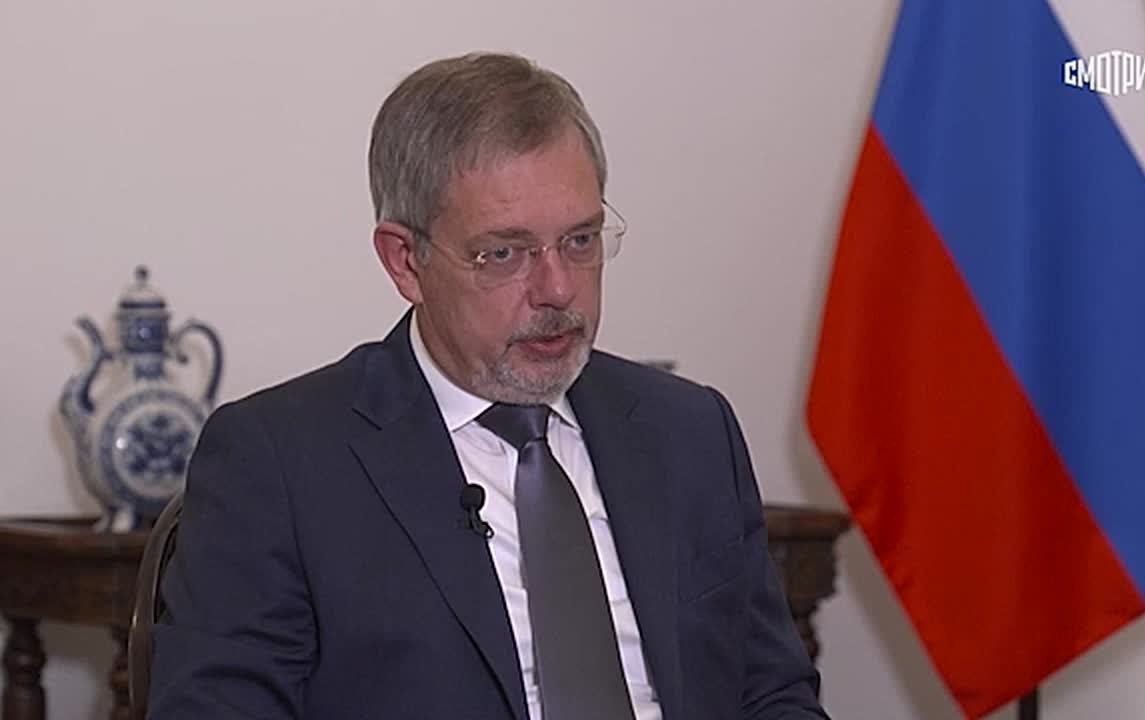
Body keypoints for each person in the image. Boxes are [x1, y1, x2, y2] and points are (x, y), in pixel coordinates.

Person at [148, 52, 828, 719]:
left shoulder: (689, 431)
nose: (557, 288)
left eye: (581, 241)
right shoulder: (278, 464)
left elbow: (773, 696)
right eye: (503, 253)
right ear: (405, 261)